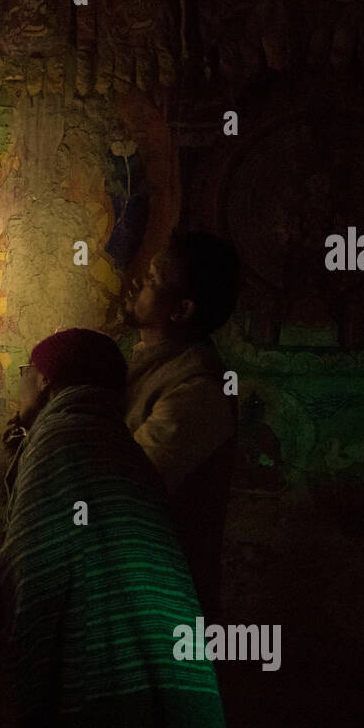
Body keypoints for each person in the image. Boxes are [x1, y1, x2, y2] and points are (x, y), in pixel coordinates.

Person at [0, 328, 234, 728]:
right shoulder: (115, 442)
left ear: (45, 382)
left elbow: (34, 581)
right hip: (182, 678)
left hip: (105, 683)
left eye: (25, 372)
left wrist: (31, 697)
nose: (18, 382)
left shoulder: (57, 442)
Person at [121, 229, 242, 622]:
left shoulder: (196, 393)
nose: (137, 281)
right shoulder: (150, 362)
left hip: (161, 606)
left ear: (181, 310)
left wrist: (45, 420)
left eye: (153, 280)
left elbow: (124, 488)